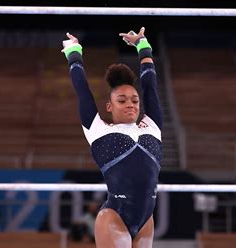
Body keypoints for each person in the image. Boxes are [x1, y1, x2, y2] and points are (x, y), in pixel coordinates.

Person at [61, 27, 162, 248]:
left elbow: (150, 86)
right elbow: (82, 90)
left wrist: (142, 45)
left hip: (146, 220)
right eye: (122, 100)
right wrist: (73, 52)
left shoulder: (152, 126)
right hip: (114, 216)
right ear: (109, 106)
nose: (131, 105)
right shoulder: (98, 129)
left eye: (135, 100)